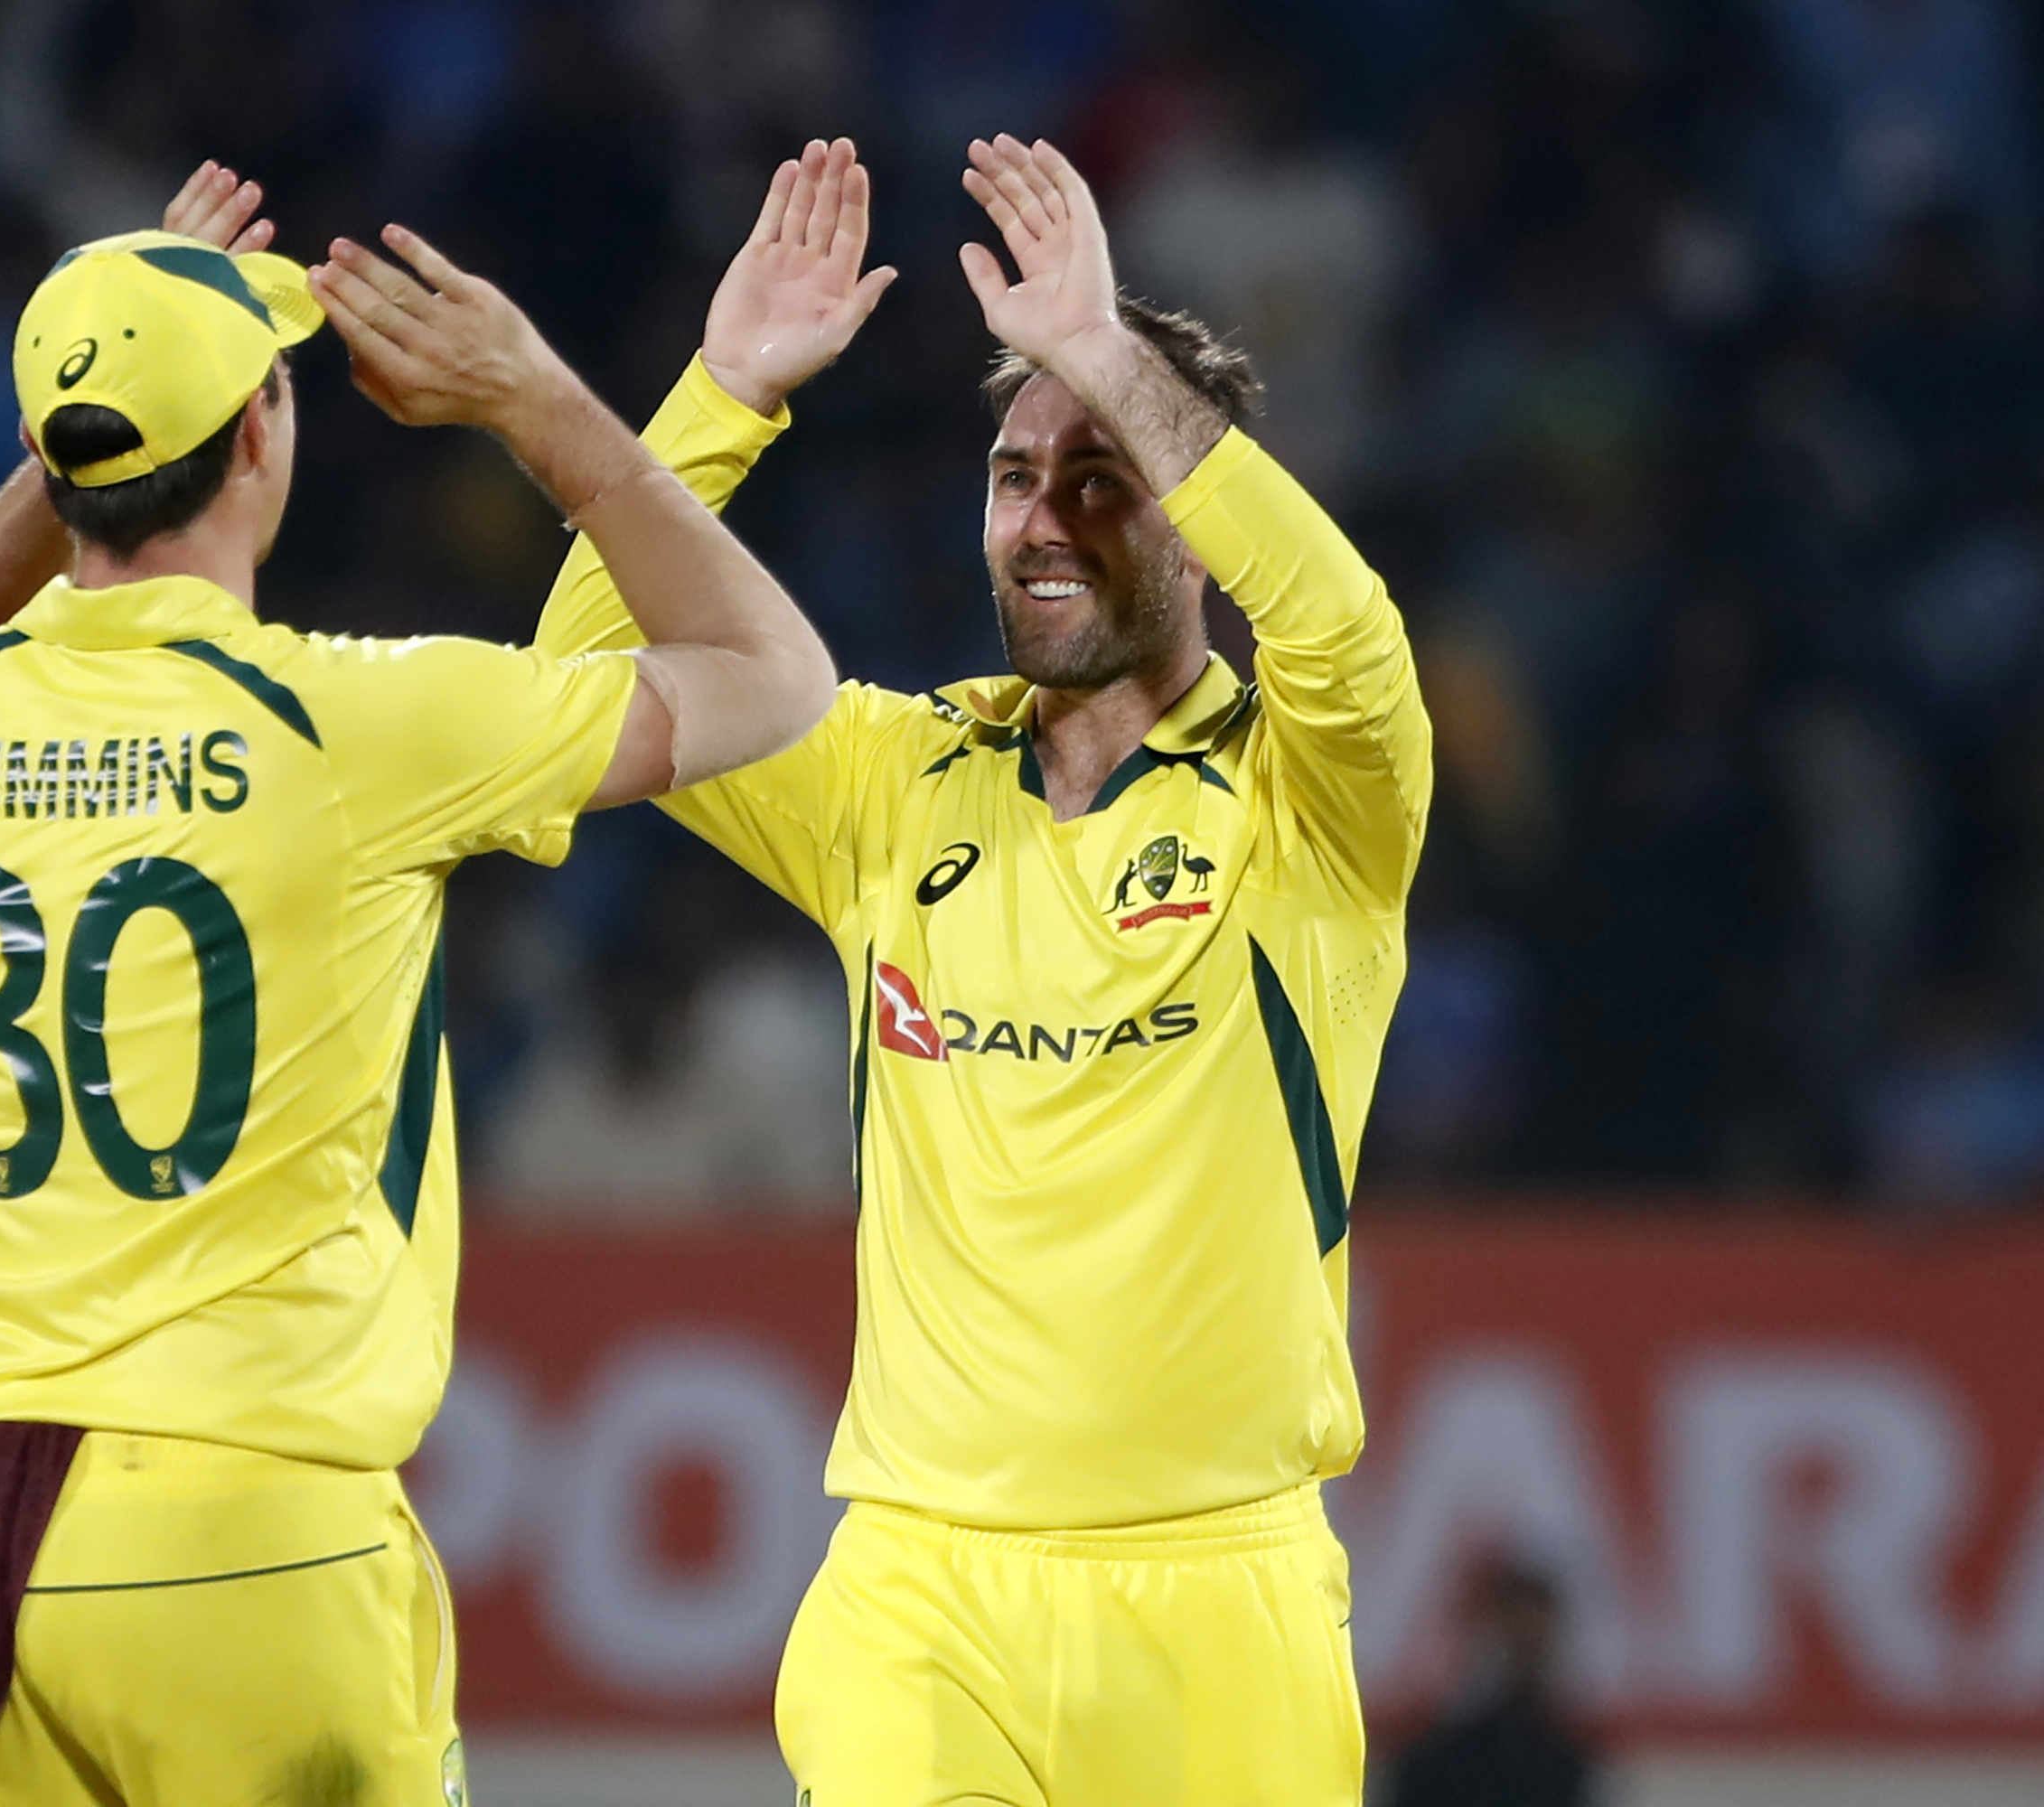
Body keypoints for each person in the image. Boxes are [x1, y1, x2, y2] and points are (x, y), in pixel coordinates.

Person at [0, 162, 836, 1804]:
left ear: (52, 462)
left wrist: (86, 416)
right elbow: (775, 679)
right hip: (260, 1535)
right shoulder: (355, 728)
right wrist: (541, 408)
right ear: (262, 437)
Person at [536, 135, 1431, 1803]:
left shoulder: (1315, 802)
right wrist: (723, 394)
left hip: (1219, 1607)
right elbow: (575, 692)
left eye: (1101, 472)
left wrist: (1106, 352)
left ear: (1197, 520)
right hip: (919, 1591)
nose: (1044, 517)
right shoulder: (891, 784)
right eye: (1017, 473)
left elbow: (1346, 634)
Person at [1386, 1559, 1599, 1807]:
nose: (1526, 1655)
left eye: (1536, 1641)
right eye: (1517, 1639)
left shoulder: (1567, 1763)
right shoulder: (1436, 1760)